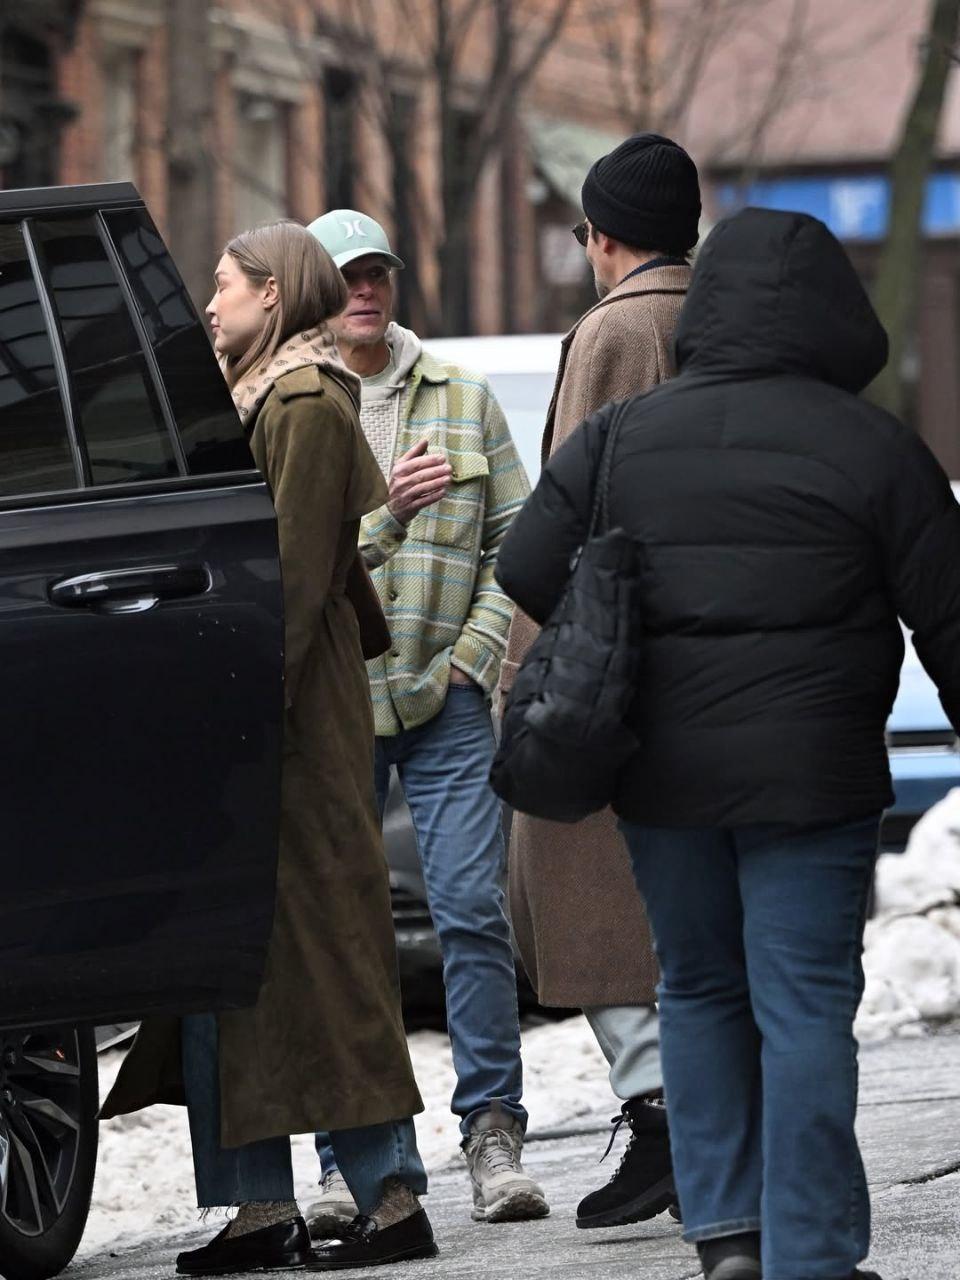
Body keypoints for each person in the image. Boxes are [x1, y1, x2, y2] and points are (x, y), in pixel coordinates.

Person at [492, 207, 957, 1280]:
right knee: (804, 1002)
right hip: (816, 780)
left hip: (664, 775)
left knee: (699, 988)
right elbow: (950, 617)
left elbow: (524, 568)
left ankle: (729, 1235)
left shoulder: (621, 437)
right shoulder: (876, 446)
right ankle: (813, 1250)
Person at [100, 221, 437, 1274]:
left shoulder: (300, 402)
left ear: (275, 294)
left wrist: (233, 728)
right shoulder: (263, 397)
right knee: (241, 966)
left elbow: (284, 586)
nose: (211, 303)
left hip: (286, 728)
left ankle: (391, 1199)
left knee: (328, 960)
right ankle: (257, 1207)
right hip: (266, 722)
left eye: (227, 283)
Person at [305, 208, 547, 1228]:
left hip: (443, 700)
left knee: (471, 910)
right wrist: (386, 511)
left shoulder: (461, 396)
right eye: (346, 277)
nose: (365, 290)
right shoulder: (297, 402)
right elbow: (295, 556)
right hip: (335, 708)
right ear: (313, 292)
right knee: (343, 933)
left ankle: (493, 1133)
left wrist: (474, 658)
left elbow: (518, 541)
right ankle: (350, 1159)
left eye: (379, 274)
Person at [498, 131, 701, 1230]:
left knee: (575, 882)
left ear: (604, 234)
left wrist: (531, 669)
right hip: (703, 657)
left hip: (609, 658)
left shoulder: (619, 327)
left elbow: (574, 504)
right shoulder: (712, 310)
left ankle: (661, 1112)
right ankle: (692, 1114)